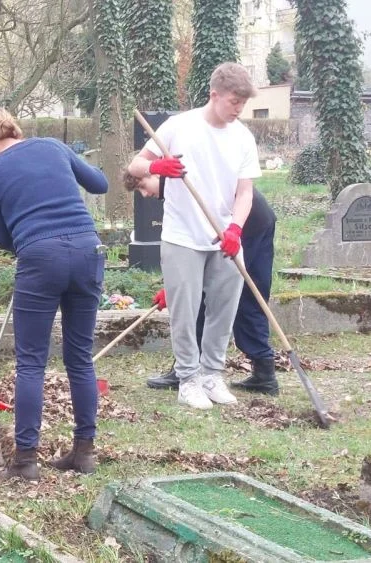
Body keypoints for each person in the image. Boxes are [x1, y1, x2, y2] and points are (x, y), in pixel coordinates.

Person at [0, 107, 108, 479]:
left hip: (40, 256)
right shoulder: (52, 146)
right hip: (87, 249)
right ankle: (84, 453)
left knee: (31, 361)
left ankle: (26, 460)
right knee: (80, 357)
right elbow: (99, 184)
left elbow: (2, 238)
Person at [127, 62, 261, 410]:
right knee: (184, 313)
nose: (238, 109)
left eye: (243, 103)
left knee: (223, 309)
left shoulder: (243, 137)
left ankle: (211, 375)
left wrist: (235, 228)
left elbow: (245, 193)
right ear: (214, 95)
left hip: (224, 238)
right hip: (182, 235)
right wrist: (157, 167)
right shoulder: (179, 127)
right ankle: (187, 379)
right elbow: (134, 168)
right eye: (234, 101)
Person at [123, 172, 279, 396]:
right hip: (256, 219)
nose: (145, 194)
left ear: (157, 174)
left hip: (243, 225)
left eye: (143, 186)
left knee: (224, 297)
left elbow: (199, 249)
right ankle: (263, 371)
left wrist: (176, 288)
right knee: (243, 298)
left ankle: (187, 370)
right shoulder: (180, 186)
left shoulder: (187, 184)